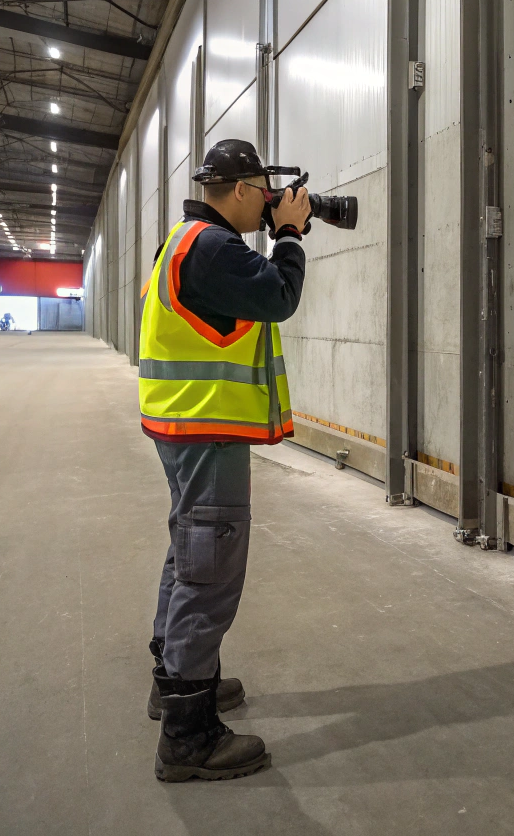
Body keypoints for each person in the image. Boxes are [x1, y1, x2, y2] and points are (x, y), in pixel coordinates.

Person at [138, 138, 310, 782]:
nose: (269, 204)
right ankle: (189, 736)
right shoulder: (212, 247)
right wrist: (290, 236)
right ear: (240, 191)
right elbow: (277, 297)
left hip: (182, 424)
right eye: (264, 194)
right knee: (208, 570)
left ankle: (174, 680)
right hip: (204, 429)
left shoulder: (184, 239)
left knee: (189, 554)